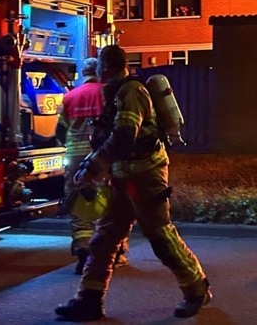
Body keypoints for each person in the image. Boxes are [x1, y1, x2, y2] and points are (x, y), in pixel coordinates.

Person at [55, 45, 211, 322]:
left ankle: (196, 289)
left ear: (106, 67)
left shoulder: (131, 92)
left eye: (99, 64)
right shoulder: (115, 91)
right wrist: (93, 164)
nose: (97, 69)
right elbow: (109, 138)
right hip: (123, 175)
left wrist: (93, 166)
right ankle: (88, 300)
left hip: (145, 175)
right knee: (104, 239)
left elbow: (124, 136)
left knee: (161, 237)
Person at [57, 57, 107, 274]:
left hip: (75, 157)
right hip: (101, 155)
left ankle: (81, 246)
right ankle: (106, 251)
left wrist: (67, 146)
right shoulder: (106, 92)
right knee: (103, 200)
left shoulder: (70, 96)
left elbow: (60, 130)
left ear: (83, 73)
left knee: (78, 201)